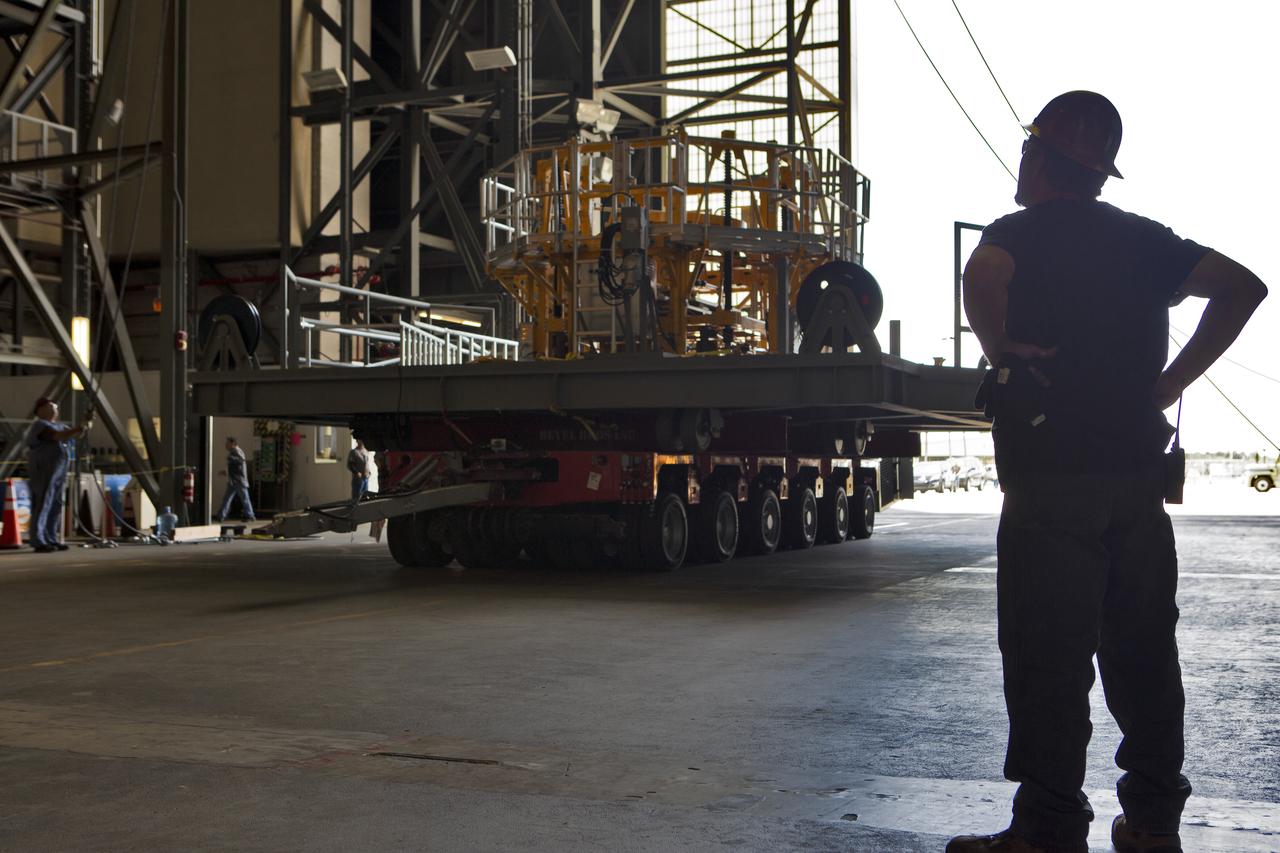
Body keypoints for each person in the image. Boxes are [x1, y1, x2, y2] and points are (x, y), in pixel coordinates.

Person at [948, 91, 1267, 853]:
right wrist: (1170, 382)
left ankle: (1048, 826)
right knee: (1144, 652)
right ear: (1098, 172)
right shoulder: (1144, 239)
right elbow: (1244, 286)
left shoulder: (1016, 232)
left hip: (1051, 477)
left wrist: (999, 348)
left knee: (1048, 655)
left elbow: (983, 273)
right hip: (1135, 479)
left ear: (1039, 158)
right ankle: (1153, 823)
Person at [25, 397, 90, 553]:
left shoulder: (60, 426)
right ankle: (38, 540)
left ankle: (51, 538)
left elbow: (74, 434)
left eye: (55, 407)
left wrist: (85, 424)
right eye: (50, 406)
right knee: (44, 501)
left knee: (56, 503)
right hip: (44, 468)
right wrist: (79, 427)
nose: (54, 409)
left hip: (58, 468)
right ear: (40, 410)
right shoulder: (40, 425)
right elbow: (58, 436)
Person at [215, 437, 255, 522]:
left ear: (233, 444)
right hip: (233, 480)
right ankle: (221, 515)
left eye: (228, 443)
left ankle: (250, 515)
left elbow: (240, 461)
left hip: (239, 480)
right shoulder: (233, 453)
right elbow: (234, 467)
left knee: (244, 498)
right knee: (227, 498)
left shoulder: (237, 451)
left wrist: (231, 458)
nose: (226, 445)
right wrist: (225, 472)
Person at [346, 438, 372, 504]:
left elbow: (367, 463)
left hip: (366, 478)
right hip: (358, 479)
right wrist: (356, 472)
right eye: (360, 440)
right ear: (357, 441)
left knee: (365, 496)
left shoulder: (366, 451)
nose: (362, 441)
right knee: (356, 497)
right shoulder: (354, 452)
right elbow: (350, 465)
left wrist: (369, 472)